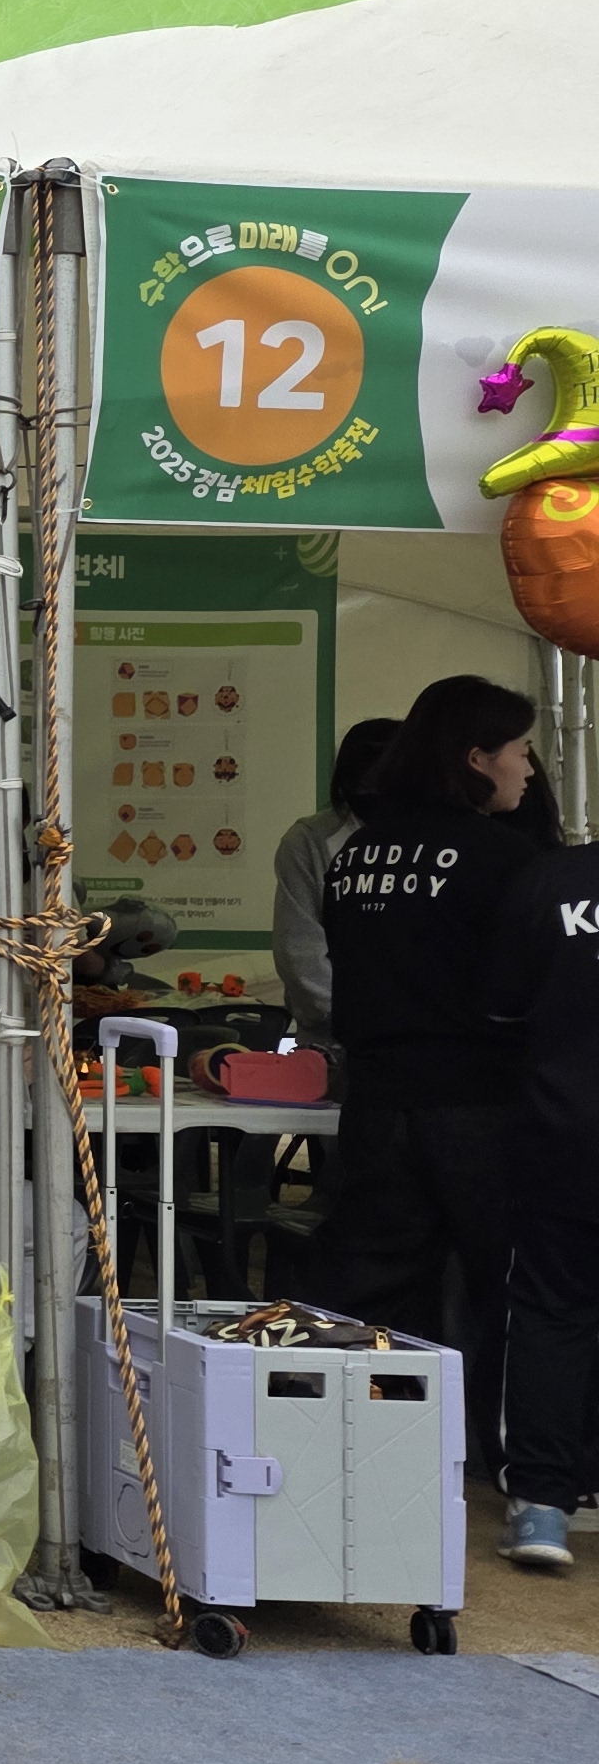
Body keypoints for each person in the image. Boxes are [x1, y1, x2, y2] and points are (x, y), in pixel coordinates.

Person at [313, 675, 557, 1548]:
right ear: (476, 757)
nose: (529, 768)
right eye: (520, 749)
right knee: (509, 1286)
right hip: (480, 1103)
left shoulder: (356, 854)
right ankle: (501, 1467)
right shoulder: (504, 860)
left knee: (379, 1289)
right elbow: (522, 994)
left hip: (376, 1100)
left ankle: (372, 1455)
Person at [491, 824, 599, 1575]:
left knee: (554, 1311)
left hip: (567, 1129)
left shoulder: (551, 881)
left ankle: (543, 1507)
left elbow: (500, 1011)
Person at [271, 718, 399, 1040]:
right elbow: (299, 951)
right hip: (333, 1033)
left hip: (412, 1036)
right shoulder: (309, 840)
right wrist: (349, 1020)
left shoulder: (432, 837)